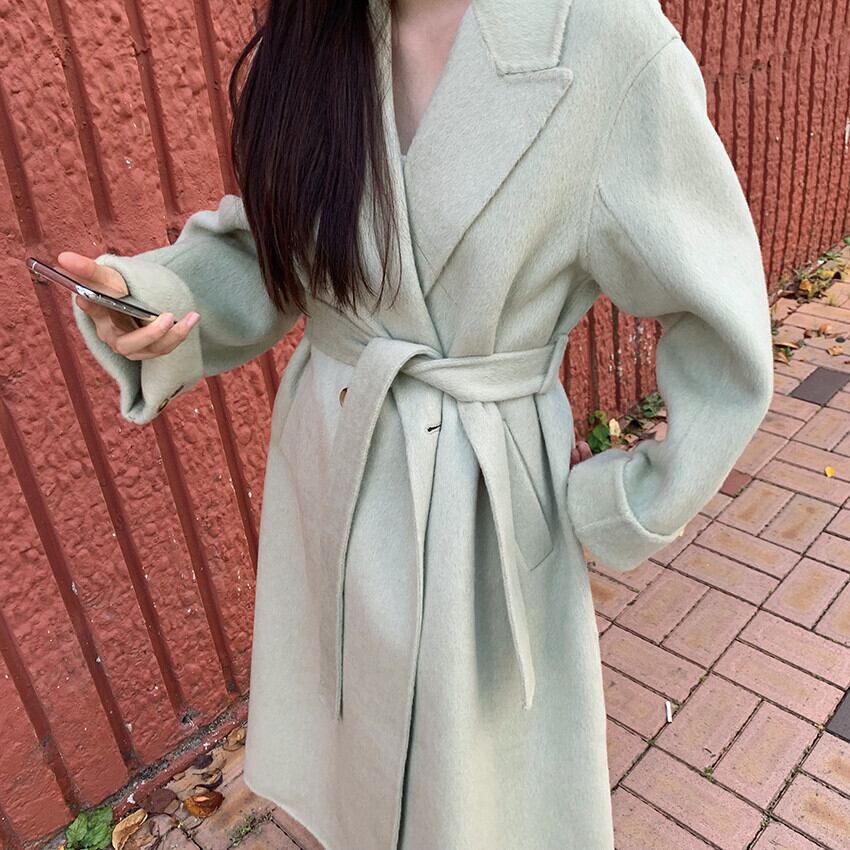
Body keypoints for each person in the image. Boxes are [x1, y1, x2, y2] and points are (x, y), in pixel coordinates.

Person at [59, 0, 775, 847]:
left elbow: (721, 325)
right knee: (352, 774)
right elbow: (284, 237)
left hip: (479, 503)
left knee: (476, 804)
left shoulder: (604, 39)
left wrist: (625, 504)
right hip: (337, 466)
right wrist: (161, 297)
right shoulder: (317, 31)